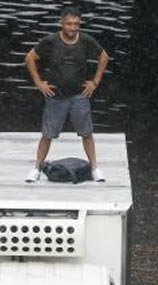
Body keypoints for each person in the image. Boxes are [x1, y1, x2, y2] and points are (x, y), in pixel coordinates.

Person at [24, 6, 109, 183]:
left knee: (87, 133)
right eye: (69, 24)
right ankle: (37, 168)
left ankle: (94, 168)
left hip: (79, 95)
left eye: (76, 24)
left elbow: (104, 57)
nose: (73, 28)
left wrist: (95, 82)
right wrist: (39, 83)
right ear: (61, 23)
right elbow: (30, 58)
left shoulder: (86, 40)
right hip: (56, 96)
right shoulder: (51, 41)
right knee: (47, 134)